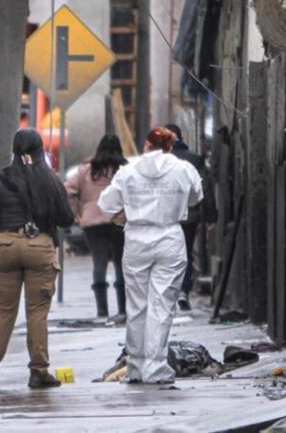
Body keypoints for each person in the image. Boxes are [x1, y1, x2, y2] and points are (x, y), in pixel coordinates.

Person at [99, 127, 203, 384]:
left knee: (137, 305)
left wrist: (130, 207)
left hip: (137, 238)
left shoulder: (129, 171)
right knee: (162, 304)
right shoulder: (183, 169)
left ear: (146, 145)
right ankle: (156, 367)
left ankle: (135, 366)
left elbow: (106, 204)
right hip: (169, 237)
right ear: (170, 146)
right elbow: (195, 197)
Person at [0, 128, 75, 390]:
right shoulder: (49, 179)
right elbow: (67, 218)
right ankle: (39, 371)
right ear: (40, 149)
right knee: (37, 313)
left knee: (3, 313)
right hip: (39, 247)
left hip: (5, 245)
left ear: (14, 149)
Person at [65, 134, 128, 322]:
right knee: (121, 265)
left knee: (99, 263)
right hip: (119, 221)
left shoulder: (86, 170)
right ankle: (123, 310)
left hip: (92, 222)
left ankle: (102, 312)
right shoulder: (124, 170)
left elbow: (69, 190)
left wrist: (77, 212)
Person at [164, 123, 215, 311]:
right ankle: (183, 291)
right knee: (184, 254)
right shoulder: (193, 160)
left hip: (160, 217)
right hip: (188, 215)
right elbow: (204, 188)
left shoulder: (155, 162)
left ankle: (167, 292)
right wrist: (210, 214)